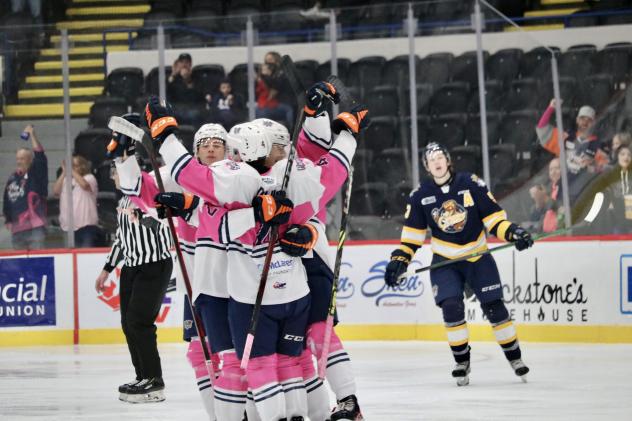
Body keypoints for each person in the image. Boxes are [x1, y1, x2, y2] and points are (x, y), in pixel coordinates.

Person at [146, 94, 363, 420]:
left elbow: (199, 189)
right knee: (286, 358)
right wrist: (347, 135)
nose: (285, 149)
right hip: (267, 284)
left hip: (291, 275)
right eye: (279, 145)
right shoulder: (258, 176)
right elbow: (334, 169)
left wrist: (164, 136)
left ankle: (345, 402)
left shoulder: (253, 177)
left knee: (295, 349)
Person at [383, 142, 533, 387]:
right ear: (426, 167)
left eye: (440, 156)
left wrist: (514, 233)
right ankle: (462, 362)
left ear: (448, 160)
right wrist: (398, 261)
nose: (437, 161)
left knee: (494, 307)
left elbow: (494, 220)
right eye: (431, 160)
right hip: (445, 261)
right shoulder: (420, 196)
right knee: (451, 307)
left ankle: (515, 358)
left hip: (477, 256)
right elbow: (411, 238)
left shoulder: (471, 183)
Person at [94, 116, 174, 404]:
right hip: (131, 268)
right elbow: (122, 240)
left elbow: (167, 227)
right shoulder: (123, 203)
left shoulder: (145, 195)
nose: (114, 176)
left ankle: (155, 380)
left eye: (117, 171)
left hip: (155, 265)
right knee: (129, 324)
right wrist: (107, 269)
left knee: (140, 322)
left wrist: (143, 217)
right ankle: (142, 376)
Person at [536, 100, 607, 202]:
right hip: (561, 194)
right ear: (577, 120)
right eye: (582, 118)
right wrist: (551, 108)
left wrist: (592, 166)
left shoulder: (599, 146)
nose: (585, 122)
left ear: (593, 123)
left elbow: (605, 171)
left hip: (584, 195)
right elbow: (542, 129)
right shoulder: (566, 138)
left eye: (589, 120)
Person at [3, 124, 48, 250]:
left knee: (38, 263)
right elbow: (7, 201)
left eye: (22, 158)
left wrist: (32, 135)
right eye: (17, 158)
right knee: (20, 266)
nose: (19, 161)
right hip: (17, 229)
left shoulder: (36, 174)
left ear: (30, 159)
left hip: (35, 227)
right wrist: (8, 220)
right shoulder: (13, 178)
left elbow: (40, 156)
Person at [53, 155, 100, 247]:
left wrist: (71, 171)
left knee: (85, 257)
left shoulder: (90, 178)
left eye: (74, 165)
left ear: (82, 166)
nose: (71, 168)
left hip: (86, 226)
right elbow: (55, 191)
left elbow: (84, 185)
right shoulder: (66, 180)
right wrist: (63, 173)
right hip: (68, 227)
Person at [255, 51, 294, 127]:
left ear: (277, 60)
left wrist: (265, 76)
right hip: (267, 104)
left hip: (283, 102)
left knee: (289, 110)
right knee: (259, 110)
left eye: (270, 59)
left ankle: (292, 132)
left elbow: (276, 88)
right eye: (266, 60)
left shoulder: (282, 73)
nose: (268, 62)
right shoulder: (264, 75)